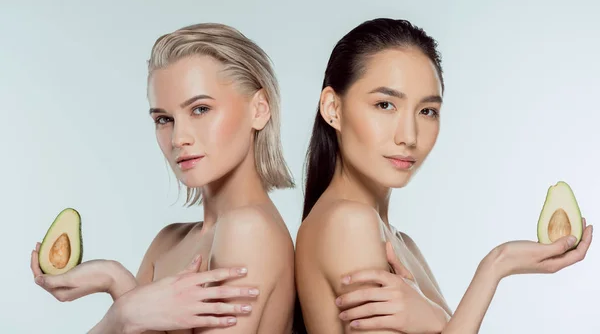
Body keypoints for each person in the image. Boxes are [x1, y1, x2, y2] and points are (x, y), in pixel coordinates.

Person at [293, 17, 593, 333]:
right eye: (385, 104)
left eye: (427, 111)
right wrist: (494, 267)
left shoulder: (398, 241)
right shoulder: (348, 223)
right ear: (332, 108)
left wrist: (495, 267)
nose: (408, 136)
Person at [30, 23, 297, 334]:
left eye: (200, 109)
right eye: (164, 119)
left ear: (260, 109)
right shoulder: (167, 242)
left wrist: (124, 313)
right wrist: (114, 280)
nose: (178, 138)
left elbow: (129, 322)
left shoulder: (248, 230)